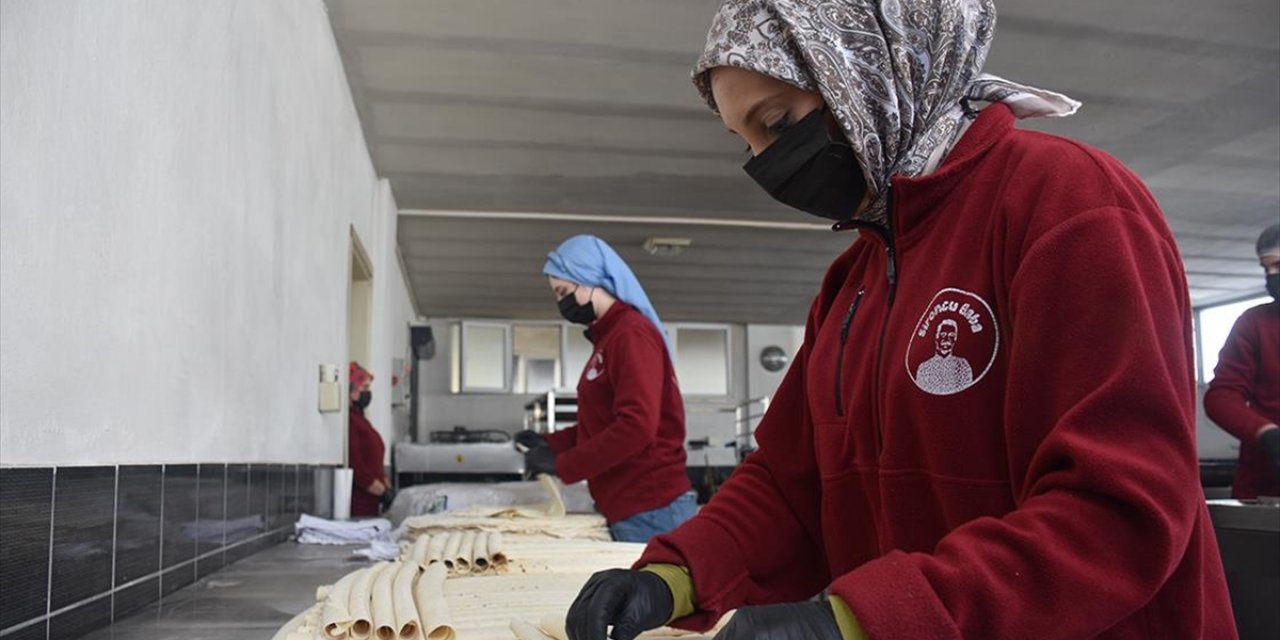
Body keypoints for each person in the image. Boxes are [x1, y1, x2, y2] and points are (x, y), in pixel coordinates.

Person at [564, 1, 1236, 639]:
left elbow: (1119, 510)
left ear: (867, 67)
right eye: (747, 143)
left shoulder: (1066, 203)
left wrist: (864, 620)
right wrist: (675, 576)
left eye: (778, 124)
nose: (767, 164)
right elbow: (791, 484)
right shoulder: (853, 280)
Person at [514, 234, 696, 543]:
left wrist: (563, 464)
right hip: (633, 508)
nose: (561, 303)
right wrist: (550, 444)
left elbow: (636, 427)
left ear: (589, 282)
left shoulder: (631, 335)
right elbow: (601, 425)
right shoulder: (610, 338)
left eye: (564, 292)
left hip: (652, 508)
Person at [1205, 223, 1280, 499]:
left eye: (1279, 265)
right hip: (1265, 489)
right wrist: (1265, 433)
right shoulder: (1254, 323)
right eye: (1266, 268)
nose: (1271, 276)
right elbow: (1221, 396)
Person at [348, 361, 394, 517]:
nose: (368, 393)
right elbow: (356, 467)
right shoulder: (350, 421)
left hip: (373, 502)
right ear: (351, 389)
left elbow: (374, 462)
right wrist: (383, 493)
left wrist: (387, 487)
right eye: (365, 388)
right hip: (360, 504)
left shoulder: (361, 419)